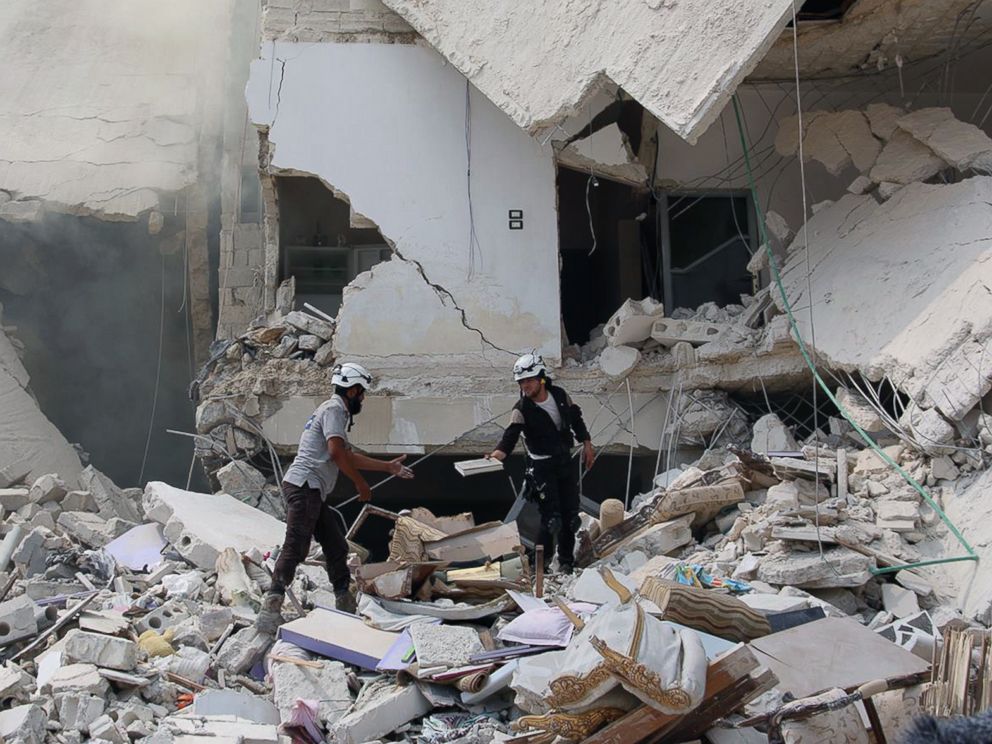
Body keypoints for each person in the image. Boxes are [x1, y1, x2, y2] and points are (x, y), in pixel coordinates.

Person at [255, 362, 413, 634]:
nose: (362, 398)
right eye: (361, 393)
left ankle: (344, 602)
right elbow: (338, 454)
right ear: (351, 391)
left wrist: (388, 467)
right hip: (305, 486)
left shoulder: (333, 413)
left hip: (311, 489)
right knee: (296, 546)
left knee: (336, 546)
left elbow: (347, 454)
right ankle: (269, 611)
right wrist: (361, 484)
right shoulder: (334, 409)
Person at [488, 353, 593, 574]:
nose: (525, 386)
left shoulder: (560, 396)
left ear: (541, 378)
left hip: (564, 462)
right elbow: (510, 437)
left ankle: (566, 563)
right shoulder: (522, 409)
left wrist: (587, 443)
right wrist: (497, 455)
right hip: (541, 468)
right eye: (521, 382)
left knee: (569, 517)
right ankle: (539, 565)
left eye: (529, 380)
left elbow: (576, 419)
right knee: (551, 520)